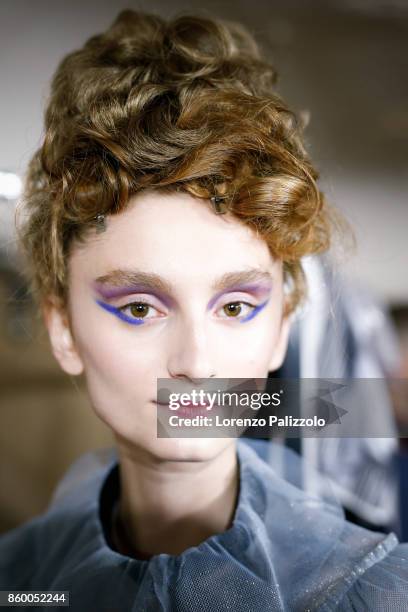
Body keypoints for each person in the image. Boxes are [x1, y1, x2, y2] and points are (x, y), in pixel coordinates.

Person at [1, 9, 407, 611]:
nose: (195, 362)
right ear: (63, 329)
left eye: (237, 305)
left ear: (282, 326)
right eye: (140, 308)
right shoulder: (24, 583)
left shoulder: (369, 593)